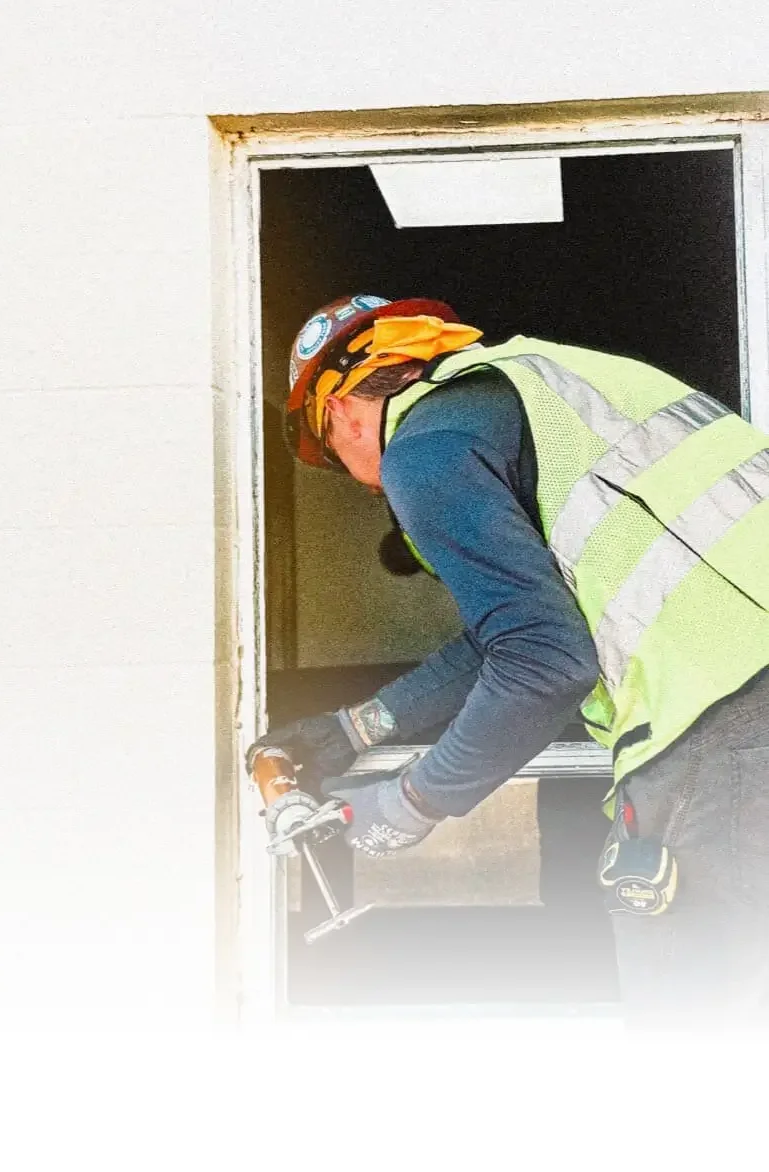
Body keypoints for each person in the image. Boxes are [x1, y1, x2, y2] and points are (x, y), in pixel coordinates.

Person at [251, 292, 769, 1028]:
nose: (369, 487)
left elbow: (542, 660)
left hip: (721, 733)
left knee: (698, 1032)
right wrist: (356, 730)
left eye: (338, 463)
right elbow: (521, 630)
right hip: (744, 699)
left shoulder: (422, 453)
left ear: (338, 413)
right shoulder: (563, 380)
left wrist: (407, 806)